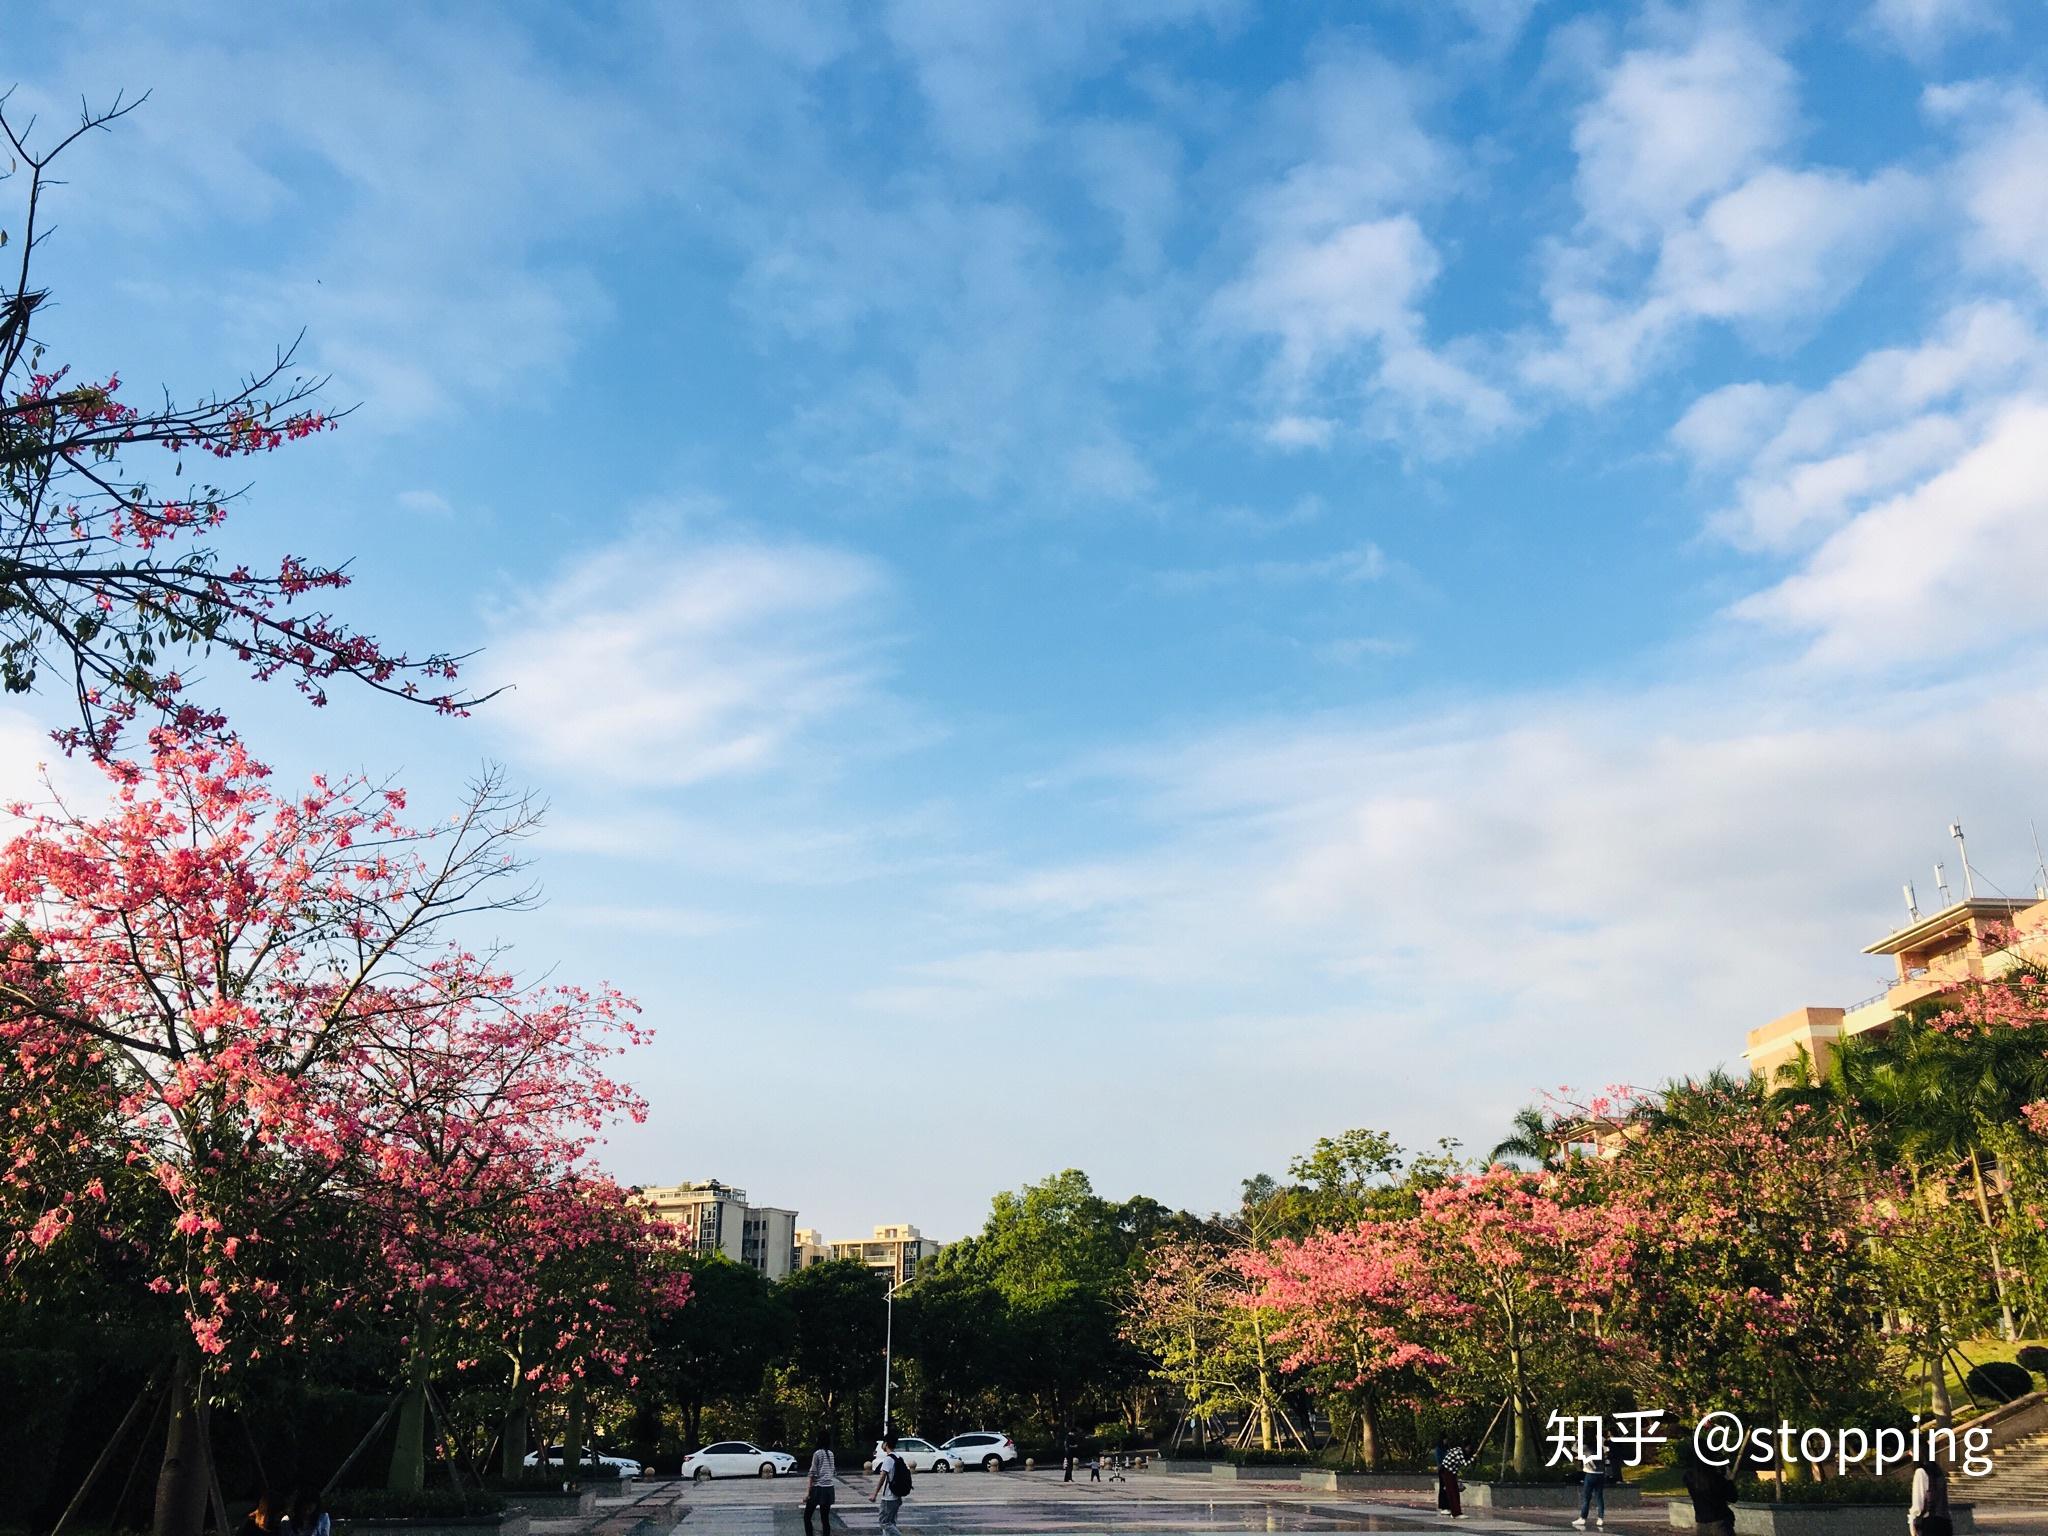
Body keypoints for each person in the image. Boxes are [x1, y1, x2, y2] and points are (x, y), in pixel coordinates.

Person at [1681, 1450, 1736, 1536]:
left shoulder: (1689, 1478)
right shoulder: (1716, 1479)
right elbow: (1733, 1497)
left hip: (1701, 1522)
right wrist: (1728, 1480)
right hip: (1720, 1521)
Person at [869, 1433, 907, 1536]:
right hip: (897, 1496)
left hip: (888, 1498)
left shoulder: (888, 1459)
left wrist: (875, 1494)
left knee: (884, 1522)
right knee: (891, 1523)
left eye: (883, 1443)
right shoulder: (898, 1457)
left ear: (886, 1444)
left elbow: (882, 1478)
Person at [1572, 1430, 1608, 1531]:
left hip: (1590, 1473)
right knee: (1599, 1496)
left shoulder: (1585, 1447)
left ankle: (1583, 1517)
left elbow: (1574, 1448)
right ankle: (1600, 1518)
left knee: (1586, 1497)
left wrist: (1578, 1440)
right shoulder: (1600, 1448)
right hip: (1601, 1474)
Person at [803, 1432, 838, 1536]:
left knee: (807, 1516)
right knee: (825, 1519)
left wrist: (807, 1493)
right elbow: (833, 1471)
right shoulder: (831, 1454)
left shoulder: (817, 1454)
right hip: (829, 1488)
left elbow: (812, 1473)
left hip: (818, 1488)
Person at [1909, 1456, 1952, 1536]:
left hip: (1928, 1523)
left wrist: (1912, 1524)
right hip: (1944, 1522)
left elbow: (1918, 1504)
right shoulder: (1939, 1471)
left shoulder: (1920, 1472)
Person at [1434, 1437, 1466, 1519]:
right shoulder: (1439, 1449)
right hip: (1444, 1470)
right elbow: (1440, 1460)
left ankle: (1450, 1508)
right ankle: (1445, 1507)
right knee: (1445, 1489)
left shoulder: (1449, 1449)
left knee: (1449, 1490)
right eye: (1445, 1439)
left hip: (1450, 1470)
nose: (1446, 1440)